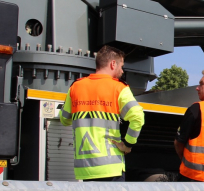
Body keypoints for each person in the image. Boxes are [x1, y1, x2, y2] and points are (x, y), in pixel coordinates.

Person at [59, 45, 144, 181]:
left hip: (85, 169)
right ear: (112, 64)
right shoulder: (118, 87)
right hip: (111, 167)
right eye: (121, 66)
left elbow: (64, 120)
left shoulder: (76, 87)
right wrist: (127, 145)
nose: (122, 71)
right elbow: (138, 117)